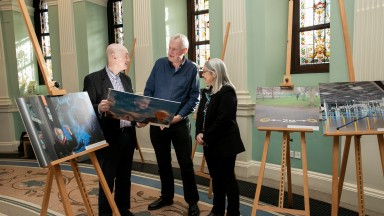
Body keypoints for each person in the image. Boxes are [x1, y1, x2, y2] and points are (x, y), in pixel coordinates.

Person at [83, 43, 145, 216]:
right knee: (107, 179)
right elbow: (85, 109)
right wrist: (99, 108)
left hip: (128, 136)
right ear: (114, 56)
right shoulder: (93, 79)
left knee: (125, 178)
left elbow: (130, 108)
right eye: (125, 55)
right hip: (108, 139)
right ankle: (105, 213)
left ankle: (123, 209)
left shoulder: (127, 79)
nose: (128, 58)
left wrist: (138, 120)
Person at [144, 33, 200, 216]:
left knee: (185, 164)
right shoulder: (160, 64)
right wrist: (156, 116)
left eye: (174, 49)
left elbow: (194, 98)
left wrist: (178, 116)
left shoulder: (192, 69)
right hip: (157, 123)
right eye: (169, 47)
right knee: (163, 163)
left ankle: (192, 202)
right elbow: (149, 90)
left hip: (179, 124)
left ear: (184, 51)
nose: (170, 51)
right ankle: (166, 196)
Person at [195, 58, 245, 216]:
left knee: (228, 180)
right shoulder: (207, 92)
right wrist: (198, 133)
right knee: (215, 179)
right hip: (210, 144)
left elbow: (222, 120)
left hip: (225, 144)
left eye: (205, 72)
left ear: (214, 74)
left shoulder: (227, 91)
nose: (202, 75)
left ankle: (233, 212)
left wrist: (206, 136)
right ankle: (217, 210)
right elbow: (200, 115)